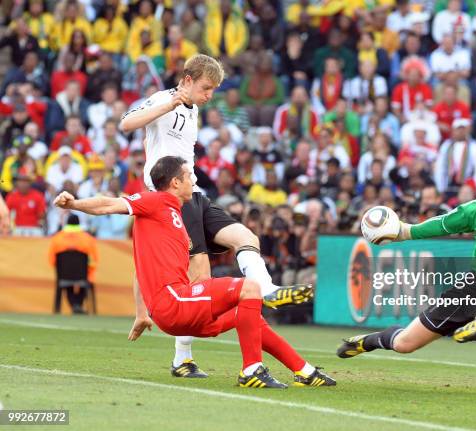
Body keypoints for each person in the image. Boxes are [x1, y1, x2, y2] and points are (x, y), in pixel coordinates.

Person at [53, 156, 335, 389]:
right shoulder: (156, 201)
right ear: (175, 182)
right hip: (174, 302)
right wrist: (74, 204)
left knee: (248, 315)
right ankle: (251, 369)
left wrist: (142, 313)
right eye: (189, 175)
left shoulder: (171, 217)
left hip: (176, 310)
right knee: (251, 287)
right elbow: (109, 203)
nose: (194, 180)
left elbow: (140, 268)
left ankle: (305, 371)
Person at [119, 54, 313, 378]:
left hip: (193, 194)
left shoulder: (192, 111)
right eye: (207, 88)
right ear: (189, 80)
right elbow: (126, 123)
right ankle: (182, 359)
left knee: (246, 238)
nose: (210, 96)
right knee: (199, 273)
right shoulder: (164, 99)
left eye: (214, 90)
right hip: (170, 198)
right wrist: (167, 105)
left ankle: (267, 289)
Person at [337, 73, 476, 357]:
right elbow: (444, 224)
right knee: (405, 345)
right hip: (475, 285)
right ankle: (369, 341)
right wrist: (404, 231)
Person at [48, 214, 98, 314]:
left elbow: (51, 260)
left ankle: (75, 305)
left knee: (68, 283)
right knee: (83, 281)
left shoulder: (57, 238)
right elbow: (94, 260)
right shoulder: (88, 239)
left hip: (63, 276)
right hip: (82, 275)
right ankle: (77, 305)